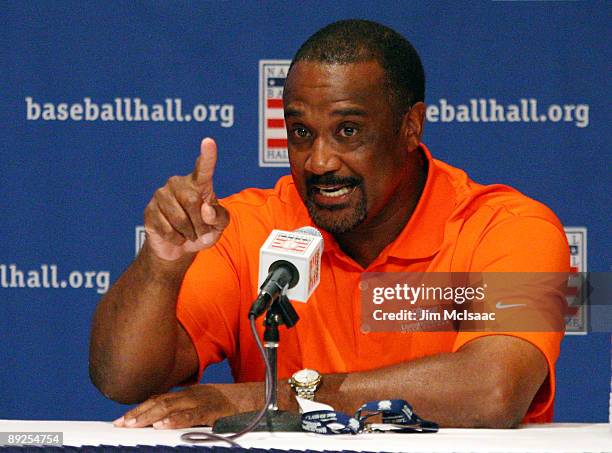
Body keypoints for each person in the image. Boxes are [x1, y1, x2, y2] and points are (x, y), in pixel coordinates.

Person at [89, 19, 569, 429]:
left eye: (348, 131)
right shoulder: (247, 227)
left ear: (411, 127)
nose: (318, 162)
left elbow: (494, 389)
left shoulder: (512, 229)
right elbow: (121, 379)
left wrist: (274, 398)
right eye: (300, 133)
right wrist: (162, 263)